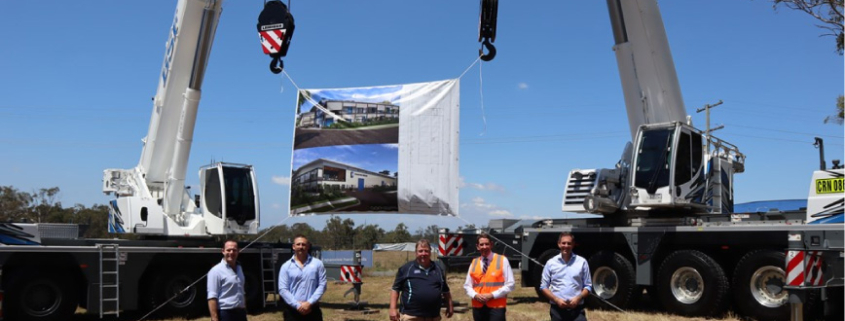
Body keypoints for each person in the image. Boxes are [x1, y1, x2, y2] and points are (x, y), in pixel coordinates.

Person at [389, 239, 454, 321]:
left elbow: (445, 290)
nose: (423, 254)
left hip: (433, 316)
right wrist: (392, 309)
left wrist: (450, 306)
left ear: (430, 252)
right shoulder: (406, 269)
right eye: (420, 251)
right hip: (411, 316)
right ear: (416, 253)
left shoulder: (438, 269)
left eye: (426, 251)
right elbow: (395, 289)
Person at [539, 232, 593, 321]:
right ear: (559, 244)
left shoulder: (582, 262)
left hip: (577, 310)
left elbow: (588, 286)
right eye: (563, 243)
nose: (566, 246)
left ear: (573, 245)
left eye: (569, 243)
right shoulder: (551, 263)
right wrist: (556, 300)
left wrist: (578, 298)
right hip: (557, 310)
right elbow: (543, 286)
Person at [463, 232, 514, 321]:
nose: (484, 247)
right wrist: (475, 295)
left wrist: (492, 295)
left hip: (496, 306)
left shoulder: (502, 260)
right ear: (477, 246)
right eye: (481, 244)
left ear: (491, 245)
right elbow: (467, 286)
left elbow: (511, 284)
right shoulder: (474, 263)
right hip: (478, 306)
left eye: (487, 244)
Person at [279, 235, 327, 321]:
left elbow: (322, 285)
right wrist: (297, 305)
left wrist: (309, 303)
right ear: (293, 247)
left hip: (312, 310)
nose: (301, 247)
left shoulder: (318, 264)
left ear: (308, 246)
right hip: (292, 312)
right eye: (298, 244)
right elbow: (283, 289)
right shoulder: (286, 266)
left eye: (303, 244)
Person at [208, 239, 248, 321]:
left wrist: (244, 310)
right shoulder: (216, 271)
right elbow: (212, 297)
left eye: (234, 250)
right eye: (228, 250)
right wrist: (214, 318)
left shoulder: (239, 268)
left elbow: (242, 291)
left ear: (238, 251)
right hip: (225, 314)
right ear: (223, 251)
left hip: (240, 313)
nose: (231, 253)